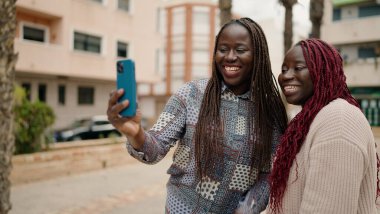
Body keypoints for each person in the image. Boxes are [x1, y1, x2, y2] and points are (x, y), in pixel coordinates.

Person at [107, 17, 288, 214]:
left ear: (258, 56)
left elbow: (269, 173)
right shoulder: (190, 94)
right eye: (223, 49)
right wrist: (136, 134)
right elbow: (154, 151)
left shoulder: (269, 111)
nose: (230, 56)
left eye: (240, 50)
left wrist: (247, 209)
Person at [268, 38, 380, 214]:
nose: (287, 76)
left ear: (323, 71)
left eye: (298, 68)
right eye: (284, 69)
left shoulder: (338, 120)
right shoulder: (307, 120)